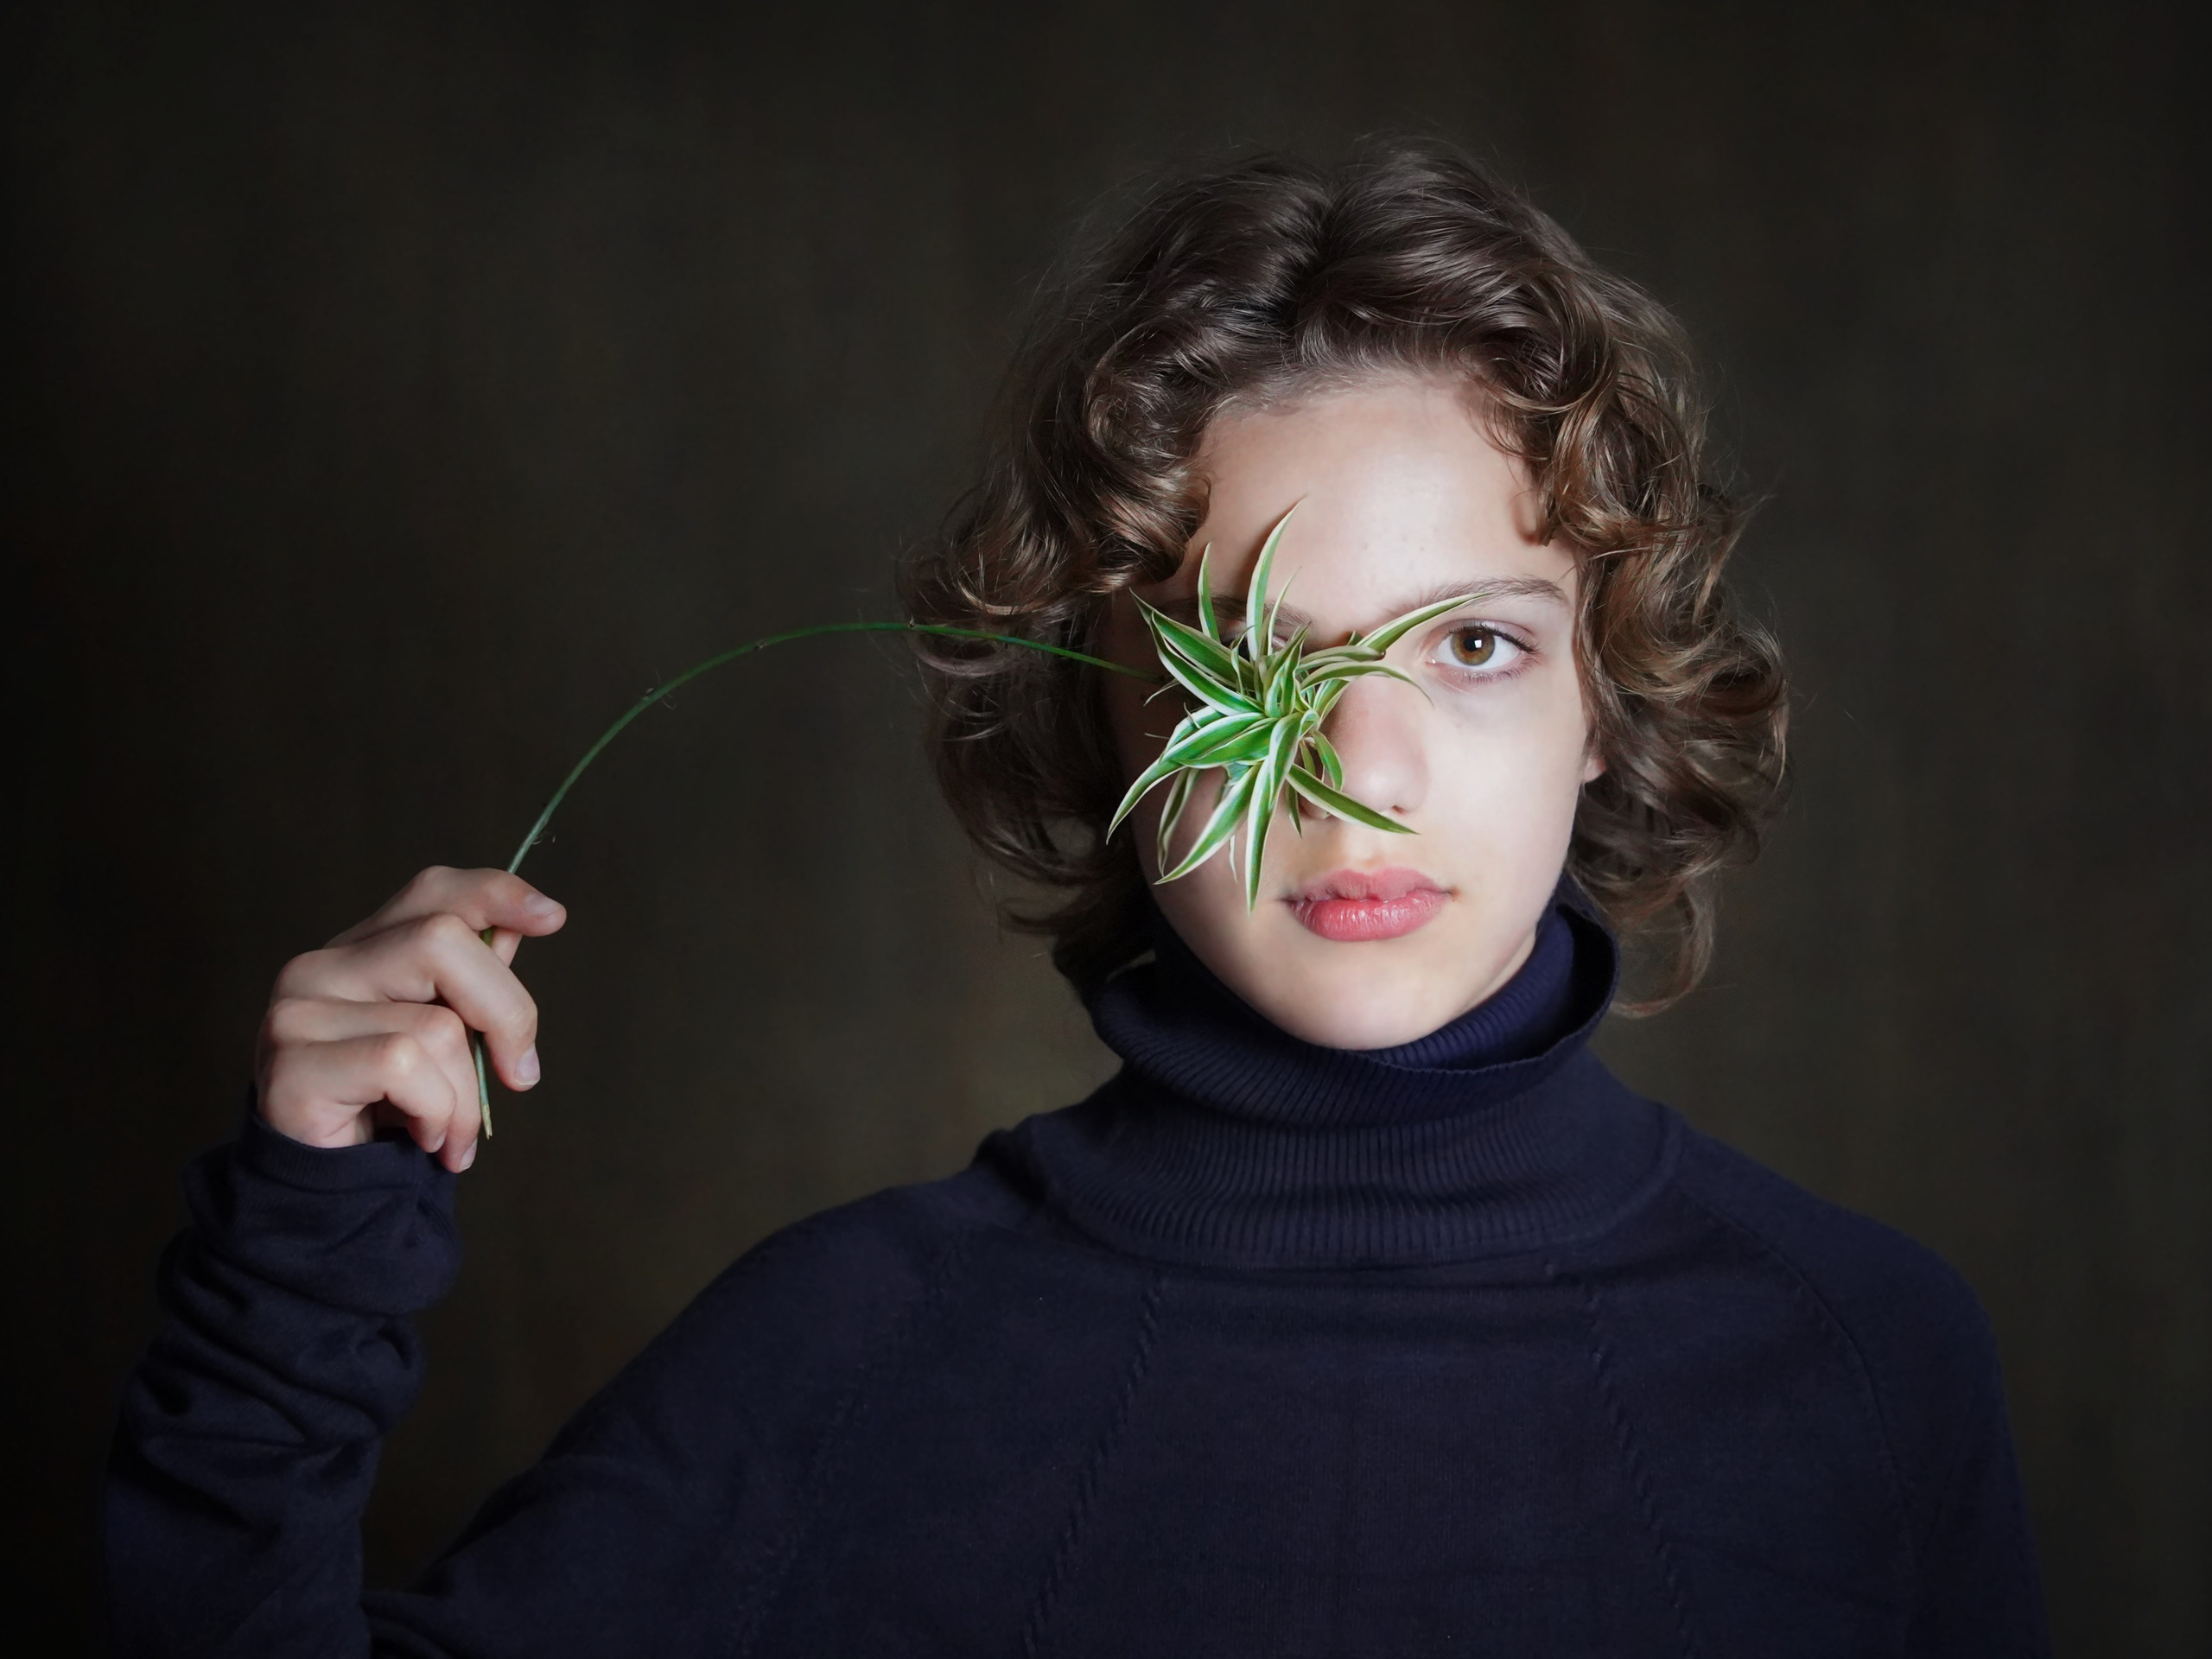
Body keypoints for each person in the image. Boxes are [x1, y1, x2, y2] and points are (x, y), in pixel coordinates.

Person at [103, 144, 2050, 1656]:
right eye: (1240, 664)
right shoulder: (847, 1352)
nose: (1357, 774)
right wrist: (302, 1250)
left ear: (1601, 706)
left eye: (1471, 645)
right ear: (1100, 711)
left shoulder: (1865, 1360)